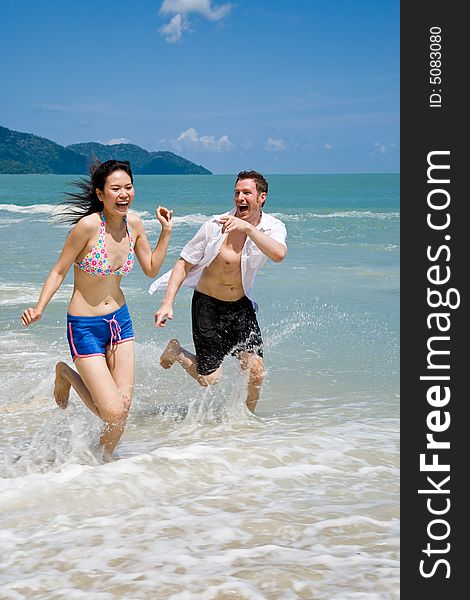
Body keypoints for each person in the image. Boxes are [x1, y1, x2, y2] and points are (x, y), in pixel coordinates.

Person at [21, 159, 173, 455]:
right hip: (85, 327)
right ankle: (65, 373)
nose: (124, 194)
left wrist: (166, 232)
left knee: (123, 409)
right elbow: (59, 270)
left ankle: (101, 466)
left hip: (120, 323)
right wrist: (39, 307)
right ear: (100, 194)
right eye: (115, 188)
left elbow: (152, 268)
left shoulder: (136, 225)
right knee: (112, 413)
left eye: (128, 187)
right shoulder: (88, 227)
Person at [151, 170, 287, 412]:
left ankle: (247, 423)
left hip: (240, 307)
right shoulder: (215, 226)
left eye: (247, 192)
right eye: (237, 193)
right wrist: (167, 302)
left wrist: (247, 229)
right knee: (210, 379)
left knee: (256, 372)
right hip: (208, 307)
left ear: (262, 197)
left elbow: (278, 254)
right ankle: (177, 352)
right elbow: (183, 263)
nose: (240, 198)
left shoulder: (272, 227)